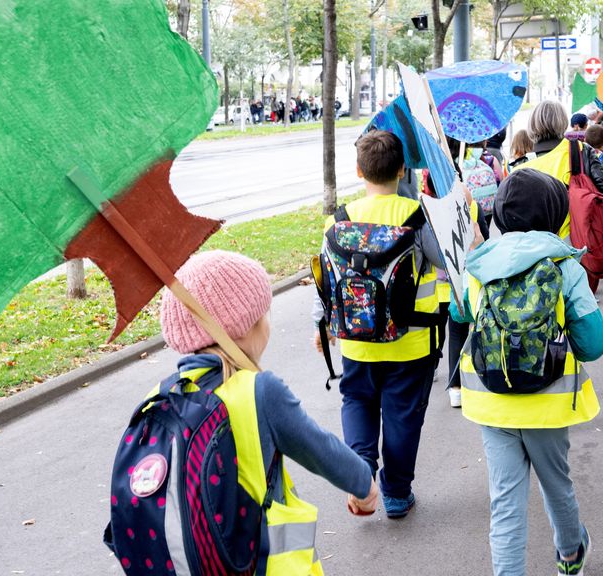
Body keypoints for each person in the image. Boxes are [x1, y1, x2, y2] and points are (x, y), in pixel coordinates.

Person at [123, 250, 379, 575]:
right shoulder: (259, 391)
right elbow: (320, 448)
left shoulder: (158, 398)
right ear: (242, 327)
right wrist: (365, 486)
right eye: (264, 314)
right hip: (263, 562)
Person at [456, 168, 603, 576]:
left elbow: (459, 312)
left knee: (505, 504)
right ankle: (571, 554)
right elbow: (595, 344)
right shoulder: (564, 267)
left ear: (500, 215)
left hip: (491, 404)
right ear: (555, 215)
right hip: (548, 405)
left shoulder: (480, 267)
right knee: (556, 485)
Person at [312, 130, 444, 519]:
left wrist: (323, 326)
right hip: (411, 342)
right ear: (403, 169)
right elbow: (444, 262)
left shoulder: (340, 220)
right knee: (402, 416)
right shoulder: (417, 217)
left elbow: (326, 282)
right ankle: (397, 495)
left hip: (355, 341)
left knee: (357, 401)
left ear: (358, 170)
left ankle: (361, 475)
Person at [516, 101, 603, 238]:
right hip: (577, 244)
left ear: (532, 125)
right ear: (563, 122)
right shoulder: (580, 151)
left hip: (535, 250)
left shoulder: (519, 167)